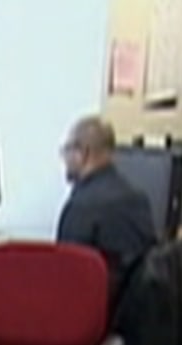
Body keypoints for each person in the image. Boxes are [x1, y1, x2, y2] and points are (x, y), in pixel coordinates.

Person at [57, 116, 157, 300]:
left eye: (67, 151)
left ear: (83, 153)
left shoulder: (81, 207)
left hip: (95, 310)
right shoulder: (138, 198)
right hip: (136, 310)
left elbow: (65, 277)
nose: (64, 159)